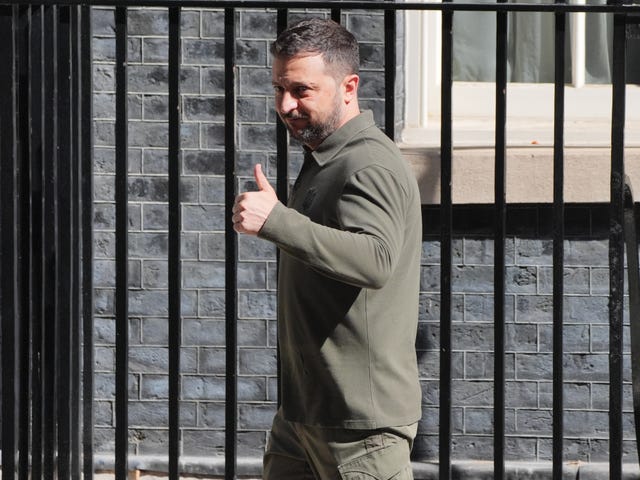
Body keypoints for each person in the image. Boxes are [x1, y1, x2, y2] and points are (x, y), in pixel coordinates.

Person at [232, 18, 422, 480]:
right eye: (279, 88)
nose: (285, 105)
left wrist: (277, 221)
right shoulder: (327, 158)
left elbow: (376, 259)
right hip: (304, 413)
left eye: (301, 90)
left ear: (349, 86)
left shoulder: (368, 164)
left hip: (360, 427)